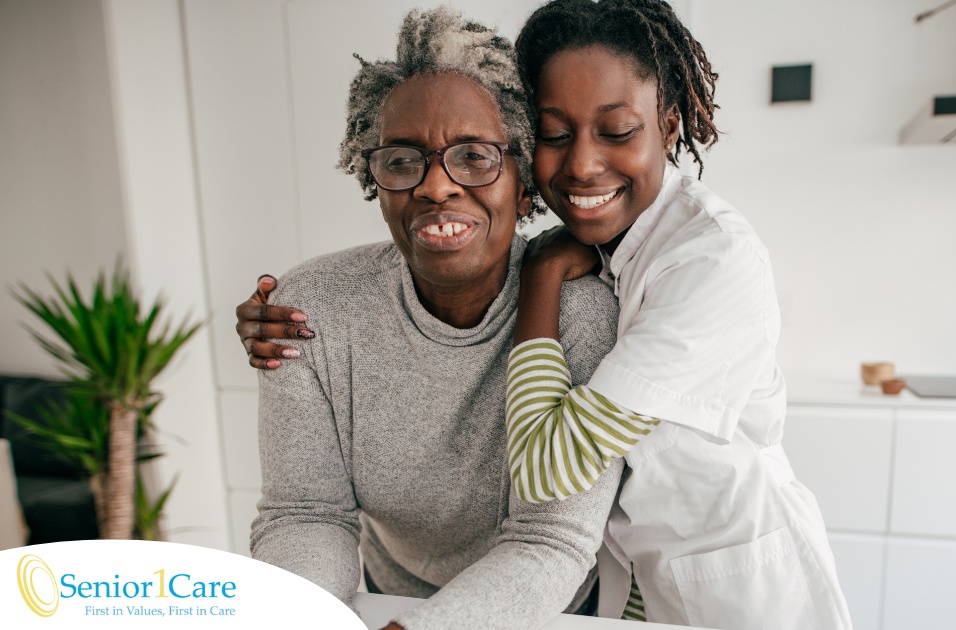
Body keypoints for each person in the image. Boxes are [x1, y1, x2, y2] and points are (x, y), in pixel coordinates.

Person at [245, 8, 623, 630]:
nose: (435, 187)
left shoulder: (584, 314)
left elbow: (549, 539)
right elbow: (304, 512)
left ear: (524, 181)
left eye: (473, 156)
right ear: (378, 183)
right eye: (402, 160)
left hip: (542, 611)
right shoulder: (310, 308)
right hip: (385, 597)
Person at [502, 1, 854, 628]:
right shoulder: (611, 243)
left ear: (667, 128)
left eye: (616, 132)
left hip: (741, 594)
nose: (581, 163)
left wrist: (541, 274)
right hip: (643, 586)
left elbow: (546, 464)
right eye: (555, 134)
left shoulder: (711, 258)